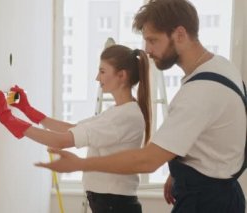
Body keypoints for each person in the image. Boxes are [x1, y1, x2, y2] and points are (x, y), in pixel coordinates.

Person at [35, 0, 247, 212]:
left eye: (153, 40)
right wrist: (179, 174)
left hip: (207, 203)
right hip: (216, 193)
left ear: (180, 34)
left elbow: (148, 160)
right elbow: (218, 135)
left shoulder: (199, 91)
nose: (147, 50)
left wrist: (79, 164)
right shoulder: (221, 66)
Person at [0, 44, 151, 213]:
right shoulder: (117, 112)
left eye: (102, 71)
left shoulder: (124, 116)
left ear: (122, 75)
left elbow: (61, 140)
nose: (97, 78)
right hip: (110, 203)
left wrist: (9, 119)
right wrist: (29, 110)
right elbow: (72, 128)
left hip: (113, 204)